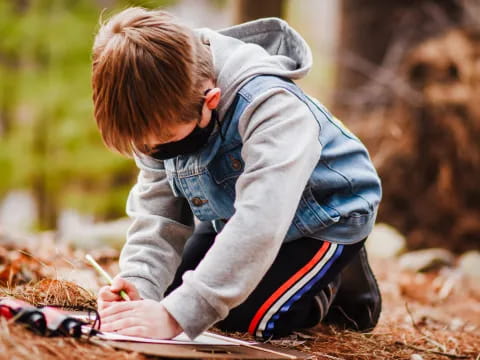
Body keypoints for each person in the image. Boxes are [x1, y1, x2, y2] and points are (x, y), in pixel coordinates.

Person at [91, 7, 382, 341]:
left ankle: (334, 286)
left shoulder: (273, 107)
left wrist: (175, 317)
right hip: (235, 214)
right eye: (145, 145)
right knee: (172, 292)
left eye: (168, 141)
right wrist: (140, 284)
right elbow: (159, 216)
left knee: (240, 318)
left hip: (324, 217)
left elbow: (260, 222)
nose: (156, 150)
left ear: (210, 101)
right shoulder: (160, 105)